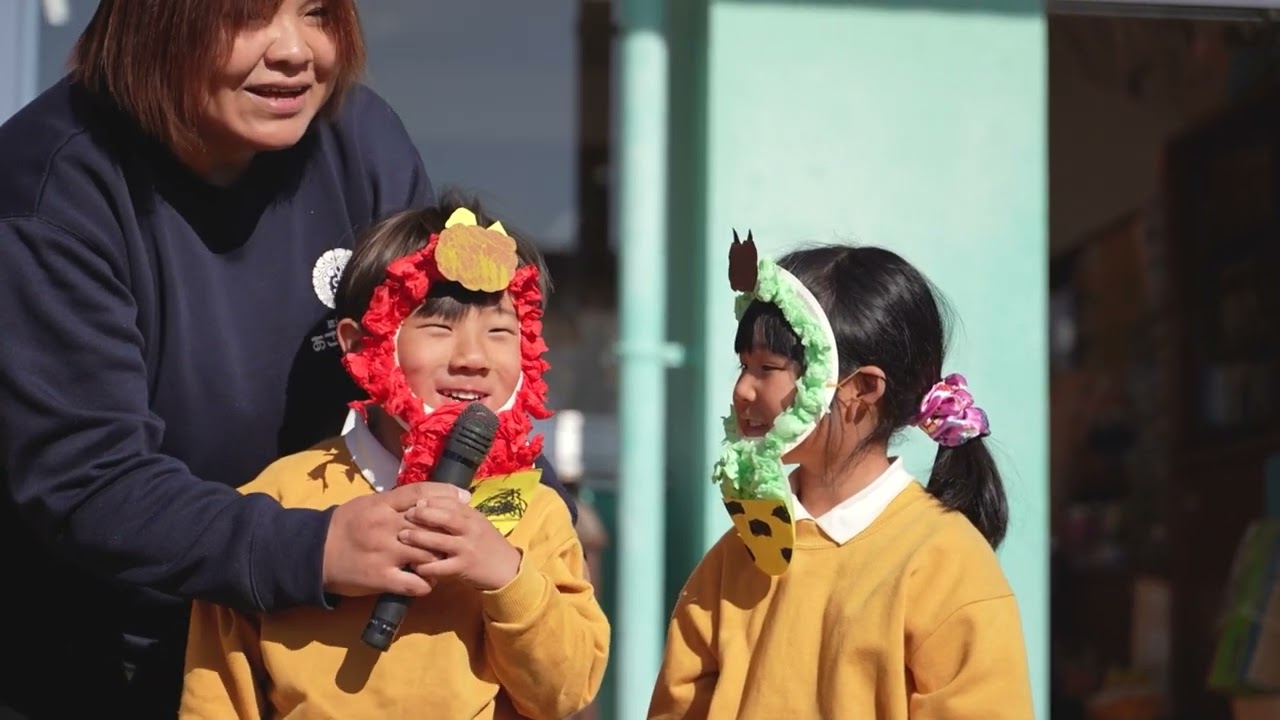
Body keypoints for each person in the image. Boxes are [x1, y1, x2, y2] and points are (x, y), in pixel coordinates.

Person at [0, 1, 573, 717]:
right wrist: (315, 548)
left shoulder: (358, 138)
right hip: (111, 664)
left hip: (353, 662)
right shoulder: (48, 190)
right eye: (248, 16)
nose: (296, 50)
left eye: (316, 13)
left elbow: (447, 367)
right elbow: (87, 479)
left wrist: (538, 536)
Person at [180, 198, 609, 719]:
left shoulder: (536, 510)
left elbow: (564, 693)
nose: (473, 358)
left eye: (500, 331)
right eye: (438, 327)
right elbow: (217, 696)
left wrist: (505, 575)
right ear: (363, 344)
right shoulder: (280, 499)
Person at [647, 235, 1034, 719]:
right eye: (743, 365)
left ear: (861, 389)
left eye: (768, 367)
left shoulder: (945, 565)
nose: (743, 389)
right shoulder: (737, 553)